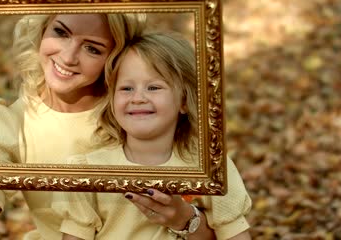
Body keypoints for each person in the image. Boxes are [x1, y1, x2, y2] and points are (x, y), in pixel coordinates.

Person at [0, 0, 148, 239]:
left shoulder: (140, 108)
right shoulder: (11, 125)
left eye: (92, 48)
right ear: (43, 28)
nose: (68, 57)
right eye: (61, 32)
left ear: (115, 56)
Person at [53, 32, 252, 240]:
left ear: (184, 101)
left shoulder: (211, 167)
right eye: (126, 88)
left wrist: (185, 218)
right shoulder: (88, 170)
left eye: (154, 87)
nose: (138, 98)